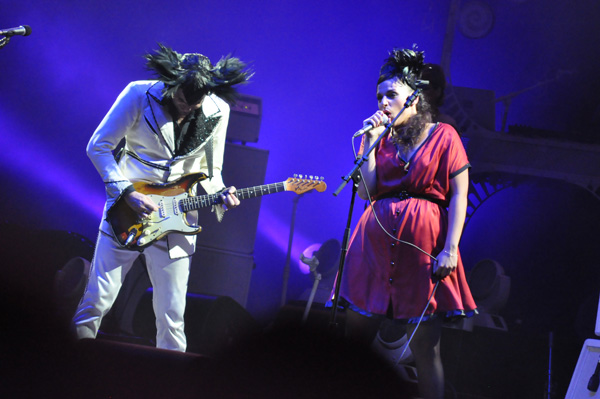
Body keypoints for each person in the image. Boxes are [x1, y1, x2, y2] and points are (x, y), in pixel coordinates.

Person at [73, 44, 252, 352]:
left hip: (178, 220)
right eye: (183, 99)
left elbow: (212, 170)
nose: (189, 107)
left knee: (172, 314)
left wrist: (220, 192)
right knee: (97, 300)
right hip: (128, 211)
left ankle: (171, 385)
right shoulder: (139, 94)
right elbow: (98, 146)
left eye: (196, 103)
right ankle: (71, 369)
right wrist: (126, 193)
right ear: (172, 85)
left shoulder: (218, 109)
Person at [337, 47, 477, 399]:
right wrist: (369, 143)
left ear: (414, 97)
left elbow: (460, 194)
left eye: (391, 94)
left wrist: (451, 249)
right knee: (353, 343)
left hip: (423, 251)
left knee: (426, 349)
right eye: (379, 95)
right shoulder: (377, 139)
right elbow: (367, 192)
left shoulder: (445, 135)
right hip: (373, 248)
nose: (383, 102)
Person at [421, 63, 459, 130]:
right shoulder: (407, 120)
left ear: (437, 91)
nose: (419, 93)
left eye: (425, 88)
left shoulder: (446, 125)